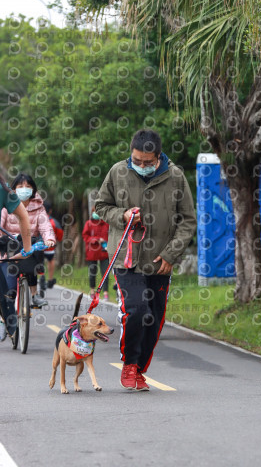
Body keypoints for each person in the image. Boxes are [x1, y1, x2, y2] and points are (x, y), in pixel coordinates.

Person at [95, 129, 196, 391]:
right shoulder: (118, 172)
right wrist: (123, 216)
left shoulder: (175, 177)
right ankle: (129, 364)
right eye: (136, 160)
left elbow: (187, 220)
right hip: (126, 257)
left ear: (158, 156)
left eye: (147, 162)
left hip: (160, 259)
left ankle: (140, 369)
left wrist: (172, 253)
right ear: (131, 154)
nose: (141, 166)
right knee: (137, 309)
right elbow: (101, 206)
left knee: (155, 316)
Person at [0, 173, 55, 308]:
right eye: (20, 186)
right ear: (14, 188)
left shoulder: (39, 207)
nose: (24, 189)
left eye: (28, 186)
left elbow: (45, 225)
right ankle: (6, 311)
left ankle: (34, 294)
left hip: (29, 244)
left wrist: (49, 239)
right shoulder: (8, 203)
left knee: (33, 252)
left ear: (33, 189)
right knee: (10, 285)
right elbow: (1, 223)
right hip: (9, 245)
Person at [0, 174, 31, 341]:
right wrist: (26, 250)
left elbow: (23, 217)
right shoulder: (3, 189)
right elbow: (23, 216)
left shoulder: (3, 190)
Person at [82, 207, 110, 300]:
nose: (97, 213)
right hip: (92, 252)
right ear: (92, 212)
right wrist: (96, 239)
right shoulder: (88, 224)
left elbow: (110, 235)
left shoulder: (106, 224)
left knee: (105, 272)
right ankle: (92, 291)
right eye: (95, 211)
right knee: (92, 273)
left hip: (104, 252)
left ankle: (106, 293)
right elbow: (85, 236)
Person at [39, 202, 64, 291]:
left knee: (40, 261)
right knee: (51, 260)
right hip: (50, 247)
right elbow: (60, 234)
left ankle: (41, 276)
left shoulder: (38, 219)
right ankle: (50, 279)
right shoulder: (54, 222)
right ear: (50, 211)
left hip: (38, 246)